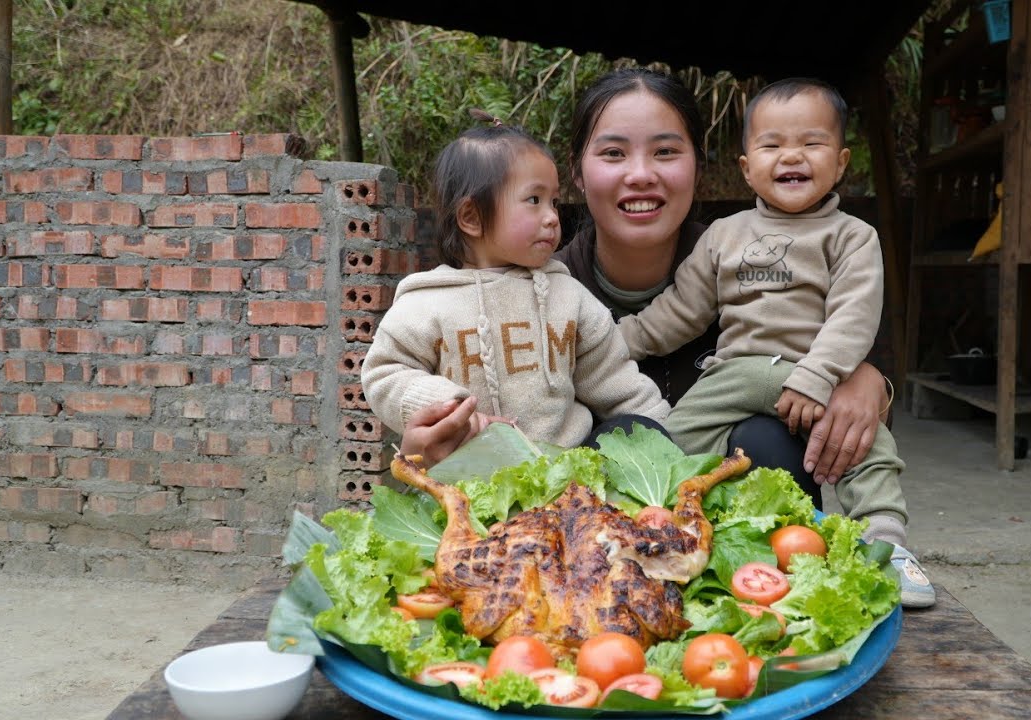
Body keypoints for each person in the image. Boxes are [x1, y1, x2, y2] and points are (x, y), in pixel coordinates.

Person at [577, 72, 931, 608]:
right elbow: (679, 311)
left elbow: (854, 316)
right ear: (746, 168)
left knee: (864, 440)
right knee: (667, 445)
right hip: (734, 374)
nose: (792, 156)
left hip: (805, 375)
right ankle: (647, 541)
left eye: (812, 143)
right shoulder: (725, 237)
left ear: (841, 162)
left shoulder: (853, 237)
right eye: (772, 145)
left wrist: (841, 377)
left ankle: (888, 543)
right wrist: (610, 343)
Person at [360, 111, 670, 459]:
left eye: (554, 201)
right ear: (471, 217)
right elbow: (384, 373)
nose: (552, 217)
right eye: (534, 200)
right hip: (470, 475)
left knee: (630, 432)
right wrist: (447, 406)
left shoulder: (569, 297)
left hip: (570, 475)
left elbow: (615, 380)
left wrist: (667, 439)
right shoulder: (426, 304)